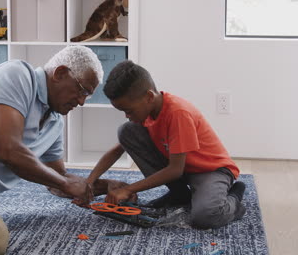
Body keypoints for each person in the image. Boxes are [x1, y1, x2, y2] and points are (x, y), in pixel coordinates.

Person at [0, 46, 120, 254]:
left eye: (87, 96)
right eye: (82, 90)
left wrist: (105, 186)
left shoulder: (54, 123)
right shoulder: (18, 75)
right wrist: (64, 182)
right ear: (60, 73)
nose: (81, 102)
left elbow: (57, 179)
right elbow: (9, 150)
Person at [75, 60, 246, 229]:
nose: (126, 115)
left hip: (210, 170)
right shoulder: (148, 112)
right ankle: (181, 195)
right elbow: (116, 151)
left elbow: (175, 170)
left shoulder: (178, 113)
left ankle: (234, 199)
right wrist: (88, 182)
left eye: (129, 110)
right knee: (126, 131)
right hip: (184, 169)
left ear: (149, 96)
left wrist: (128, 189)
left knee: (205, 216)